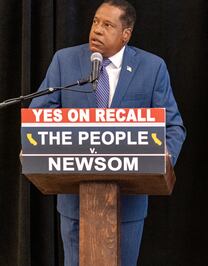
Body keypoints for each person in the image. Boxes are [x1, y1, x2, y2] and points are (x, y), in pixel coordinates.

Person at [29, 0, 186, 265]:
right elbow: (39, 116)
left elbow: (173, 126)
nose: (97, 30)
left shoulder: (152, 67)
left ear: (126, 34)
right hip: (75, 204)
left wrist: (163, 159)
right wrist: (34, 144)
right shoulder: (64, 61)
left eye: (108, 25)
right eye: (95, 22)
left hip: (128, 205)